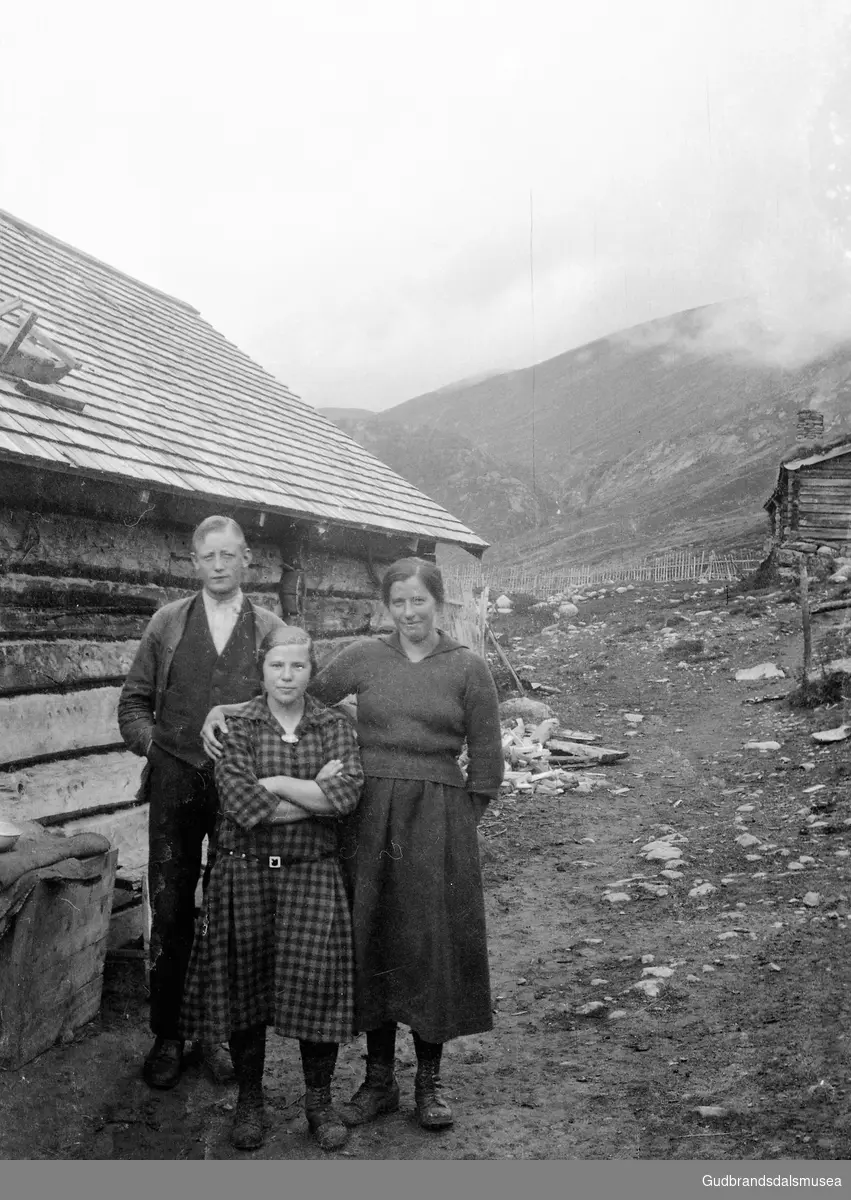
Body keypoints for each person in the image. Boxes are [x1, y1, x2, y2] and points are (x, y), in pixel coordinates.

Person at [202, 557, 504, 1132]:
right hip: (366, 817)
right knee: (371, 939)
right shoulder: (364, 657)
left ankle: (429, 1082)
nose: (409, 612)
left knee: (428, 942)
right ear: (385, 607)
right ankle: (379, 1080)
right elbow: (293, 695)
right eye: (398, 602)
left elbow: (487, 769)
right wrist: (223, 709)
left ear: (437, 602)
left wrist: (455, 829)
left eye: (419, 600)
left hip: (437, 823)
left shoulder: (468, 669)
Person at [117, 515, 287, 1090]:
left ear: (246, 563)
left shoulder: (268, 628)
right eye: (208, 556)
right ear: (194, 562)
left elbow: (290, 701)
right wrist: (156, 749)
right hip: (175, 784)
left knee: (227, 909)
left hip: (240, 789)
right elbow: (133, 703)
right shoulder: (167, 623)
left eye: (229, 556)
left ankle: (213, 1032)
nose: (219, 565)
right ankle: (168, 1033)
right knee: (169, 907)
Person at [180, 626, 364, 1152]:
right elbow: (241, 805)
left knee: (317, 983)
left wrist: (277, 785)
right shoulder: (237, 726)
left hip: (312, 869)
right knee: (246, 986)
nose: (287, 676)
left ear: (312, 671)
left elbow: (346, 794)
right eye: (277, 666)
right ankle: (250, 1101)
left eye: (299, 667)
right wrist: (312, 792)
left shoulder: (333, 725)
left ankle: (319, 1101)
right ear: (261, 669)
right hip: (246, 870)